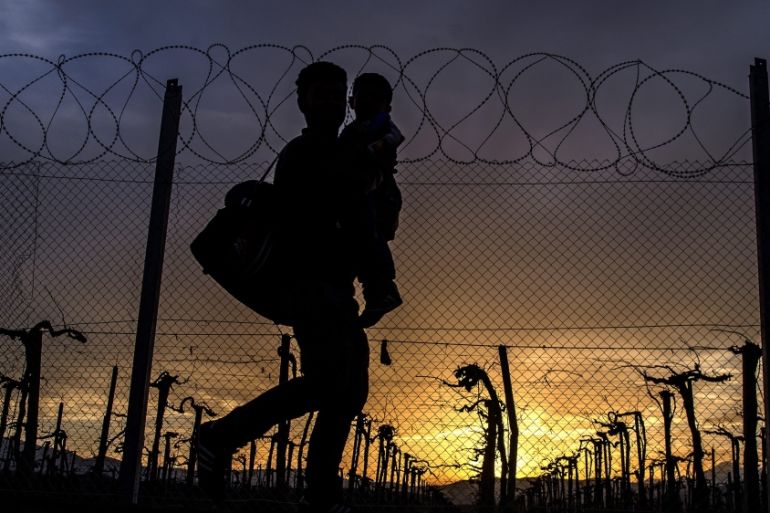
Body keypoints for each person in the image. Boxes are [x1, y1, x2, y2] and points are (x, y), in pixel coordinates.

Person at [196, 61, 369, 513]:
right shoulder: (304, 153)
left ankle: (318, 492)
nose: (331, 103)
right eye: (322, 94)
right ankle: (223, 437)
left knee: (348, 390)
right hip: (312, 286)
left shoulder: (338, 151)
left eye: (338, 95)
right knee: (328, 384)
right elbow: (313, 220)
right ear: (303, 103)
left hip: (335, 286)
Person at [338, 72, 404, 328]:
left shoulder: (381, 125)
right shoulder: (351, 131)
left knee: (370, 238)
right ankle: (375, 292)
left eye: (376, 98)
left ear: (387, 106)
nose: (368, 102)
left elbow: (394, 139)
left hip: (380, 195)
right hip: (363, 196)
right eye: (363, 96)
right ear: (352, 101)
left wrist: (368, 152)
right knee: (361, 242)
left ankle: (382, 291)